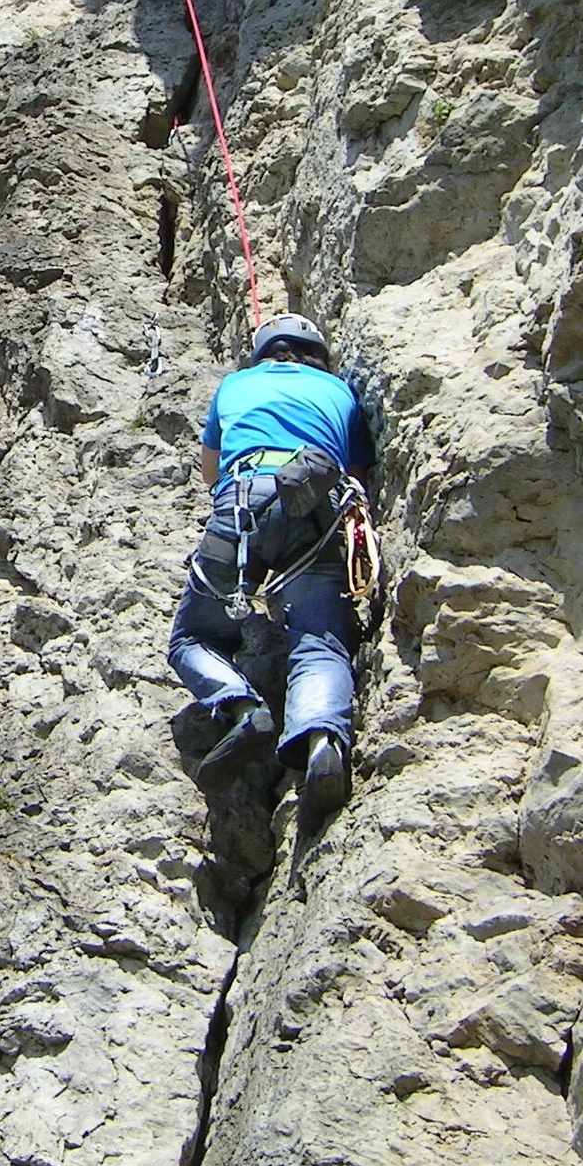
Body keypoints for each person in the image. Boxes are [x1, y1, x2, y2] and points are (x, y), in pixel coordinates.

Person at [168, 314, 376, 817]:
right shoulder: (340, 392)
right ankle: (323, 740)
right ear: (318, 353)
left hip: (242, 498)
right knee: (319, 638)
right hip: (321, 503)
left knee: (191, 638)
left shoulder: (235, 384)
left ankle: (241, 707)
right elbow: (361, 472)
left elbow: (209, 472)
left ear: (262, 352)